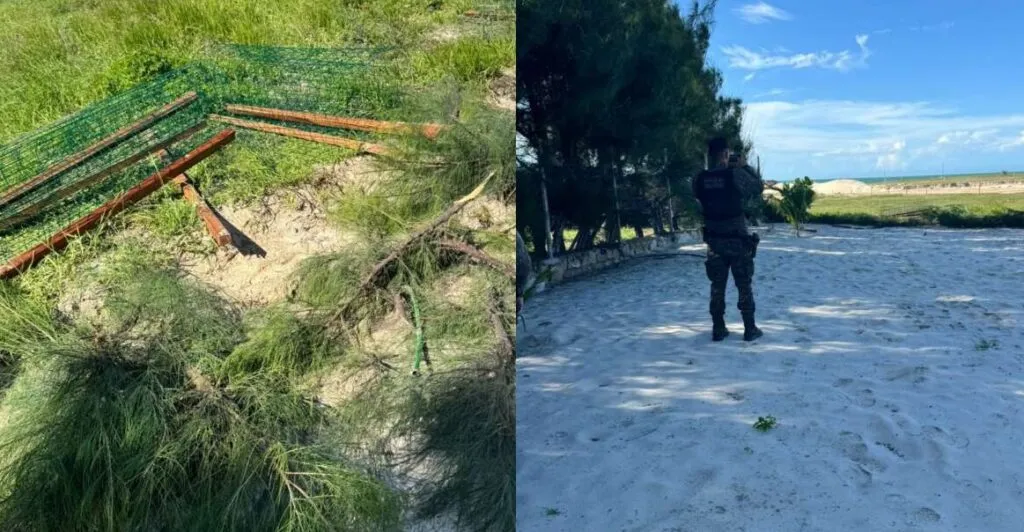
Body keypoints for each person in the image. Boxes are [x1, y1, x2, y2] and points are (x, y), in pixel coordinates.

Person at [691, 137, 764, 342]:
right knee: (743, 284)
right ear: (725, 154)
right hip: (737, 240)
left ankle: (718, 328)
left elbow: (698, 195)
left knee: (717, 286)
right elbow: (757, 188)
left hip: (714, 241)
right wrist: (745, 166)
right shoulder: (734, 175)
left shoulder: (698, 178)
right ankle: (749, 328)